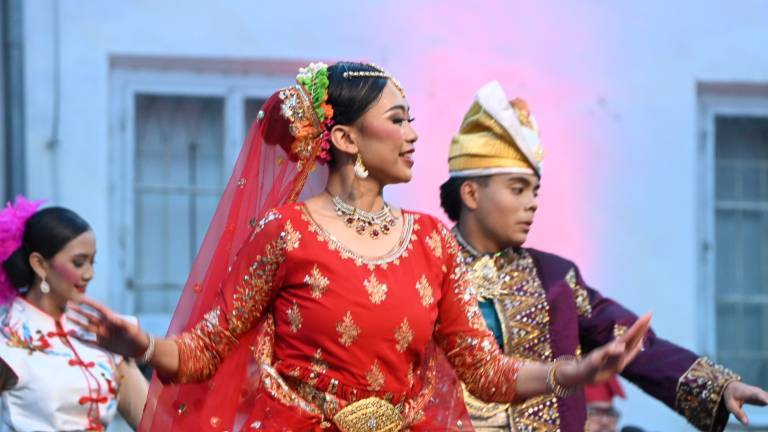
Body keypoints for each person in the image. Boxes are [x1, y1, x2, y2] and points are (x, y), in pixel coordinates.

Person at [71, 62, 650, 431]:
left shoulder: (430, 241)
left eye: (411, 120)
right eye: (397, 120)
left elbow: (487, 373)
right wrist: (142, 344)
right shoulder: (285, 232)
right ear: (347, 138)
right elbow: (204, 352)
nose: (414, 134)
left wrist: (578, 370)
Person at [439, 80, 768, 431]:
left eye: (535, 191)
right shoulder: (424, 268)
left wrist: (719, 387)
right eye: (517, 189)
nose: (532, 203)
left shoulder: (554, 280)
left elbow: (634, 345)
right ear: (471, 194)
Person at [0, 198, 148, 431]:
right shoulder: (7, 341)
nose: (89, 274)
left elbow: (155, 421)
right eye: (79, 263)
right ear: (39, 264)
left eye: (92, 261)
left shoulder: (101, 334)